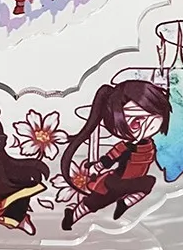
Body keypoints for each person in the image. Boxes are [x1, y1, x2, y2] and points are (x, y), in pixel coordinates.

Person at [60, 81, 171, 230]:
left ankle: (122, 203)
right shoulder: (125, 147)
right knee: (94, 203)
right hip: (116, 181)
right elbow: (109, 158)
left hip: (130, 183)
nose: (146, 125)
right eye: (135, 122)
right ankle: (71, 217)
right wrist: (96, 167)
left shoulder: (149, 145)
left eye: (150, 116)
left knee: (96, 203)